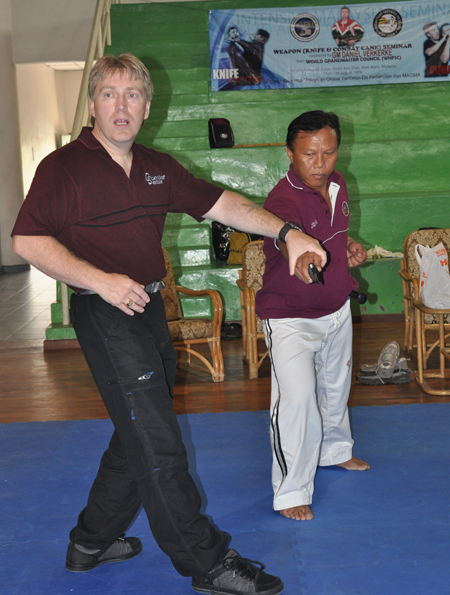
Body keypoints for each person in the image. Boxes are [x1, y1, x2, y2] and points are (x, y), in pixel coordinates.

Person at [11, 54, 327, 595]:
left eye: (132, 95)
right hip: (104, 311)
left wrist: (287, 233)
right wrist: (102, 281)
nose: (121, 105)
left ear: (147, 106)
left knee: (136, 431)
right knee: (158, 440)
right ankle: (208, 562)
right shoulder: (62, 168)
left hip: (150, 308)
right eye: (109, 94)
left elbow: (223, 204)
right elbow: (27, 240)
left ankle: (91, 541)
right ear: (92, 105)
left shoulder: (157, 167)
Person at [255, 111, 370, 522]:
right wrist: (303, 258)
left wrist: (348, 246)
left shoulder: (338, 184)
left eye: (329, 152)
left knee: (336, 389)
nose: (320, 163)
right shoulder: (282, 201)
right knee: (298, 400)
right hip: (291, 319)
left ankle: (335, 451)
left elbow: (331, 233)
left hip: (336, 309)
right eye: (309, 154)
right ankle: (290, 491)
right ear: (289, 153)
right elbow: (293, 243)